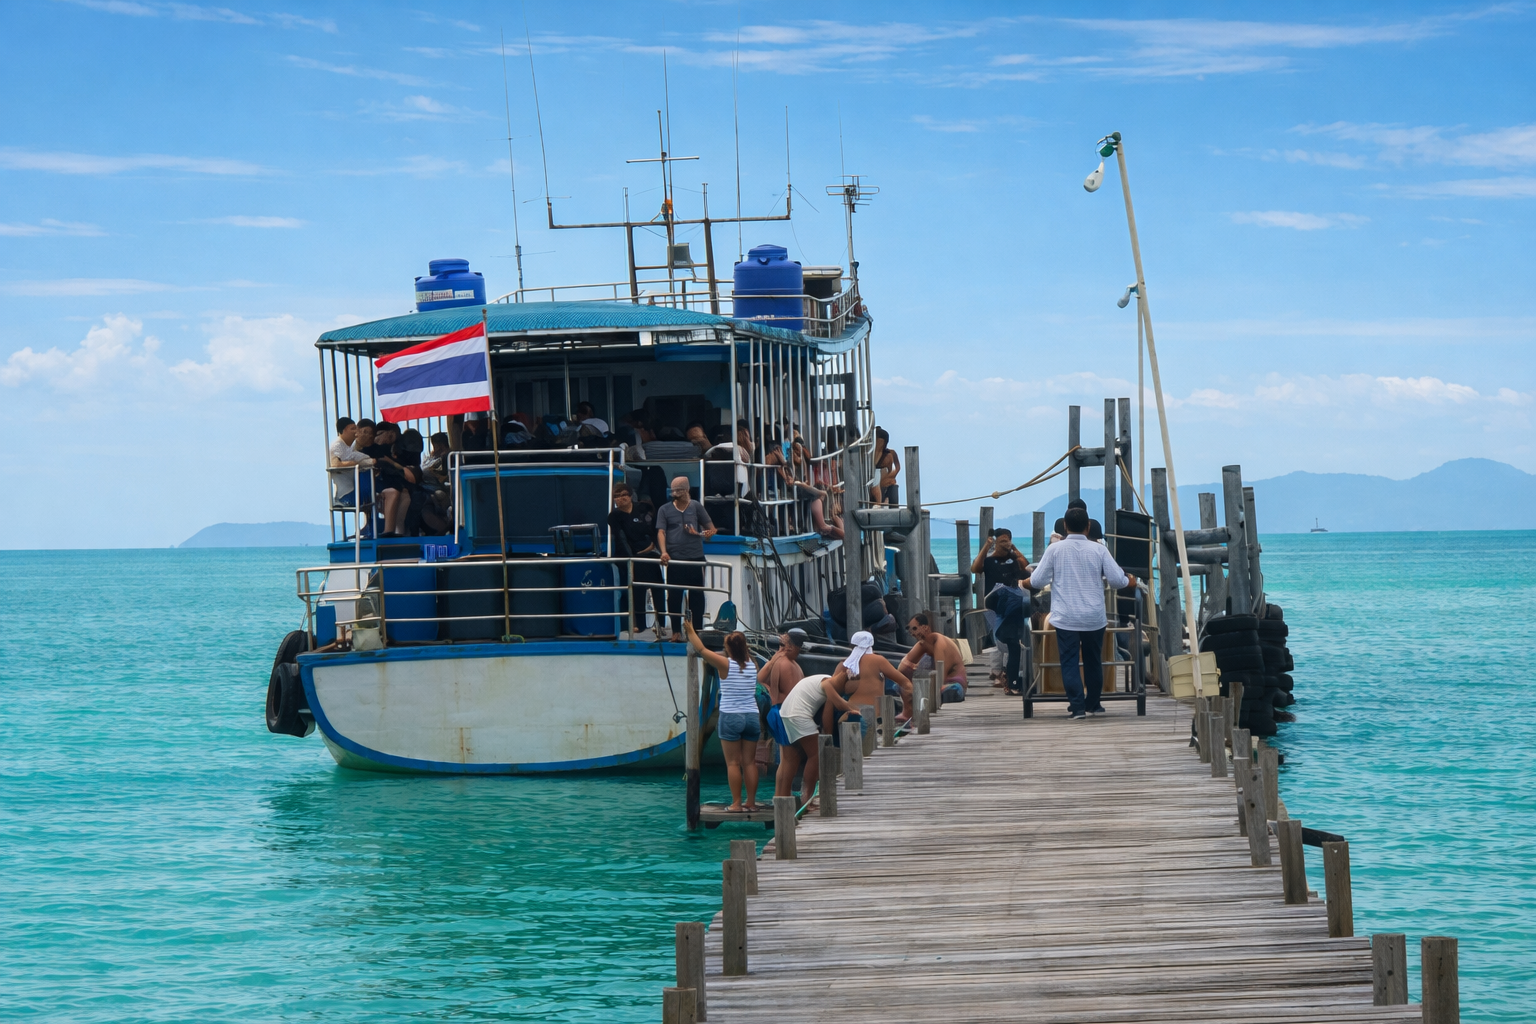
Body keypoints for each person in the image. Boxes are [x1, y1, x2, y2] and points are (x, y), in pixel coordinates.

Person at [1025, 506, 1135, 720]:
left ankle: (1077, 707)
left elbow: (1037, 581)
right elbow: (1117, 580)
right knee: (1094, 661)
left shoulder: (1054, 550)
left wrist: (1023, 582)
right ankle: (1093, 704)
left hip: (1066, 617)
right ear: (1088, 526)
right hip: (1094, 617)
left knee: (1069, 662)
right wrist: (1129, 580)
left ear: (1065, 527)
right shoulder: (1100, 550)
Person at [683, 622, 761, 812]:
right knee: (749, 762)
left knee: (733, 763)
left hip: (731, 716)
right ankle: (750, 802)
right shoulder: (753, 664)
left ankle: (736, 803)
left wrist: (690, 630)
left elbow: (701, 649)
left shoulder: (725, 664)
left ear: (728, 649)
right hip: (752, 715)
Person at [773, 672, 862, 812]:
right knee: (815, 756)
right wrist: (854, 711)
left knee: (791, 760)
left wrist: (853, 709)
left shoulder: (822, 679)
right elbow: (838, 705)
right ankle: (806, 800)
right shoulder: (828, 684)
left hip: (786, 713)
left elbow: (838, 705)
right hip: (797, 715)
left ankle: (783, 800)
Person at [656, 475, 715, 634]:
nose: (676, 493)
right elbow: (661, 532)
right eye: (674, 490)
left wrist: (700, 533)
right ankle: (676, 631)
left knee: (697, 595)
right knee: (674, 596)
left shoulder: (696, 506)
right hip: (676, 559)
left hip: (695, 558)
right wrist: (664, 552)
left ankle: (697, 630)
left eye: (680, 490)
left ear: (687, 489)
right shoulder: (664, 509)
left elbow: (711, 530)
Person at [971, 527, 1029, 688]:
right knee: (998, 640)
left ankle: (1006, 674)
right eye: (1001, 541)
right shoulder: (989, 561)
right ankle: (998, 672)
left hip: (1012, 605)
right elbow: (975, 568)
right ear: (996, 541)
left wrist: (1013, 548)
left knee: (1012, 641)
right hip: (994, 604)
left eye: (1007, 540)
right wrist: (987, 546)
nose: (1004, 544)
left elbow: (1025, 566)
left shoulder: (1013, 559)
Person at [607, 483, 664, 638]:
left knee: (657, 588)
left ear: (631, 495)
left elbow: (650, 534)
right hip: (630, 556)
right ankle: (639, 623)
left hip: (649, 554)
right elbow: (622, 539)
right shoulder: (614, 516)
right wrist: (632, 556)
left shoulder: (643, 509)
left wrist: (651, 548)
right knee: (637, 590)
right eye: (616, 496)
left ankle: (662, 623)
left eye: (624, 494)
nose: (620, 498)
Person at [829, 629, 913, 728]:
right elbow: (905, 683)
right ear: (871, 645)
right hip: (875, 718)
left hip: (850, 716)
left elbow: (830, 692)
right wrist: (909, 711)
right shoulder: (878, 660)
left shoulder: (844, 664)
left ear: (851, 646)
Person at [757, 627, 807, 772]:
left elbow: (760, 679)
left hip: (785, 713)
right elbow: (760, 679)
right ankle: (784, 792)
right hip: (785, 713)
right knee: (788, 760)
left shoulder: (791, 663)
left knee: (788, 759)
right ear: (791, 647)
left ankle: (785, 791)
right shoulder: (783, 663)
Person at [897, 613, 969, 705]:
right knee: (898, 686)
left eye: (914, 628)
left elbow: (940, 677)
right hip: (933, 684)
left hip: (952, 684)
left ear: (925, 628)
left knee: (950, 690)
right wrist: (908, 665)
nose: (912, 632)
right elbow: (901, 668)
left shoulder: (939, 642)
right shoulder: (923, 644)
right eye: (909, 629)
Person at [328, 417, 375, 518]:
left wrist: (367, 461)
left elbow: (358, 457)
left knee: (373, 498)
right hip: (345, 494)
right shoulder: (337, 445)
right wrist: (355, 463)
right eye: (352, 429)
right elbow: (337, 463)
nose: (355, 432)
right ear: (344, 430)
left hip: (352, 489)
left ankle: (371, 526)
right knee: (370, 498)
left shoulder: (348, 447)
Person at [871, 427, 900, 506]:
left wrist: (892, 475)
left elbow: (898, 467)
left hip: (889, 483)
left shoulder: (891, 453)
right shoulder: (873, 454)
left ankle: (884, 500)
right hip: (879, 483)